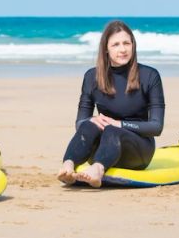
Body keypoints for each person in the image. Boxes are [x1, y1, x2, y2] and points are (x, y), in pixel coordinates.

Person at [57, 20, 165, 188]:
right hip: (104, 149)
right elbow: (80, 123)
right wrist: (91, 121)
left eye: (126, 43)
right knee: (89, 124)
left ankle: (98, 170)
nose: (122, 49)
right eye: (115, 44)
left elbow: (156, 127)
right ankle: (68, 165)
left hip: (138, 152)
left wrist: (119, 124)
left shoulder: (150, 76)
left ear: (133, 45)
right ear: (106, 49)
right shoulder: (91, 77)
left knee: (112, 130)